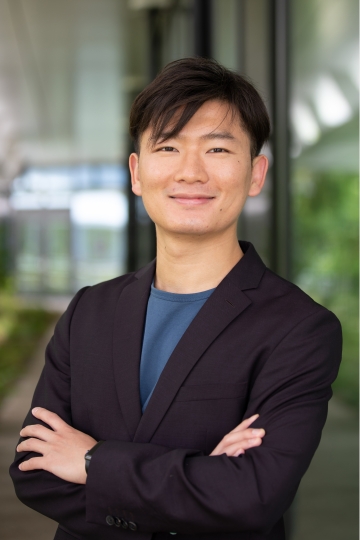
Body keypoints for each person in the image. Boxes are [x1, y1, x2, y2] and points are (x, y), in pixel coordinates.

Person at [10, 57, 342, 540]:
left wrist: (90, 460)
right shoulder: (89, 311)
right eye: (167, 147)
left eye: (218, 149)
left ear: (255, 173)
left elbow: (253, 497)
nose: (190, 172)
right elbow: (34, 474)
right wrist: (200, 479)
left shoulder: (298, 328)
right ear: (137, 172)